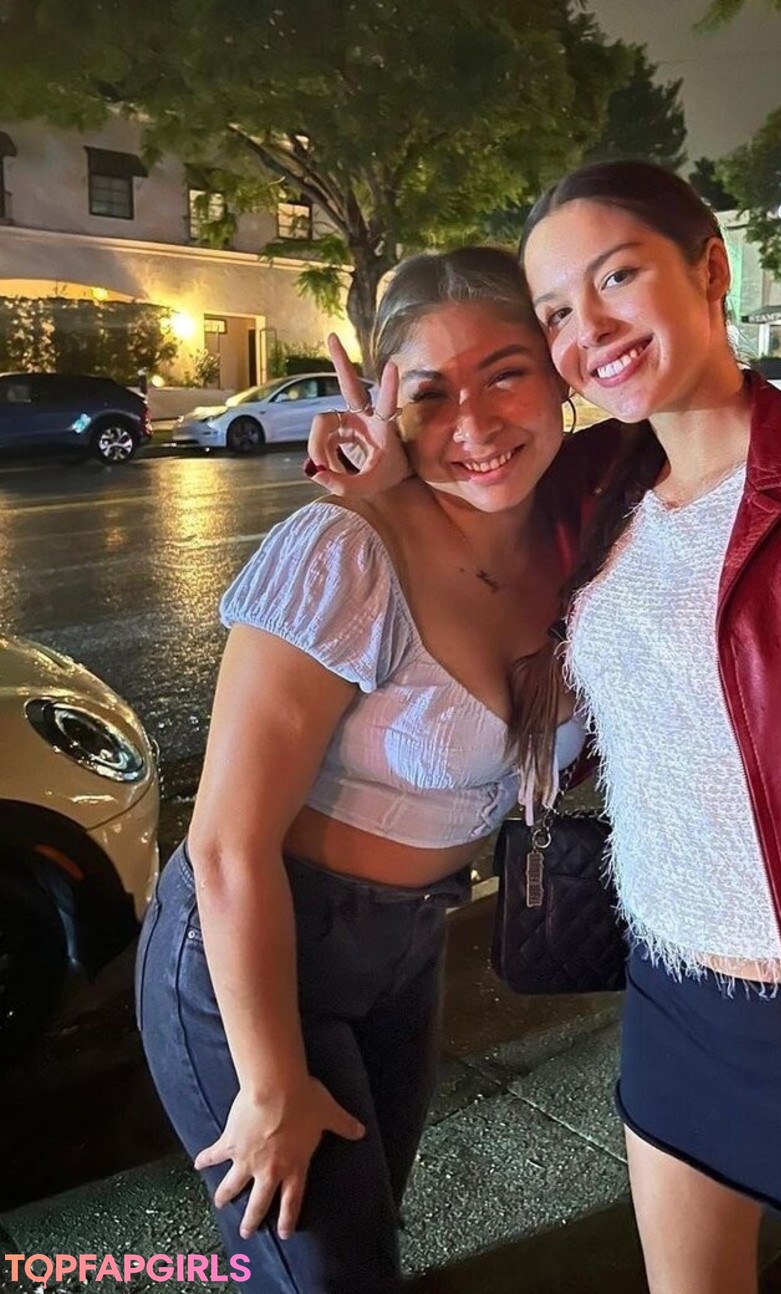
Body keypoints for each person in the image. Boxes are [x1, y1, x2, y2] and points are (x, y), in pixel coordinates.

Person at [307, 166, 781, 1294]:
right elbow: (475, 513)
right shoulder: (596, 482)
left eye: (617, 278)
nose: (588, 331)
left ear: (710, 268)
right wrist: (393, 479)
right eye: (554, 313)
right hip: (671, 1006)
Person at [135, 247, 617, 1294]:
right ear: (390, 409)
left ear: (560, 372)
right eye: (430, 393)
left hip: (409, 951)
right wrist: (270, 1084)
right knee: (327, 1274)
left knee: (364, 1246)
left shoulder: (577, 539)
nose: (473, 423)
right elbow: (223, 844)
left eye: (506, 373)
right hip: (251, 951)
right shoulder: (343, 551)